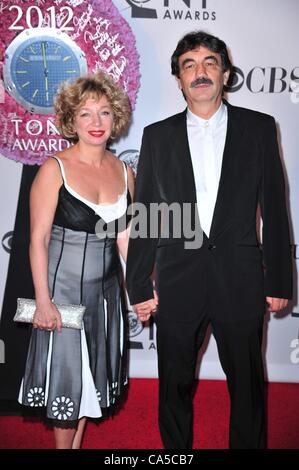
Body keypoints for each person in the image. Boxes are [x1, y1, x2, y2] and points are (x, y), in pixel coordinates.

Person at [126, 31, 292, 449]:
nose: (200, 72)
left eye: (209, 63)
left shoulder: (258, 127)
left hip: (240, 279)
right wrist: (139, 285)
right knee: (174, 388)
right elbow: (146, 211)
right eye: (189, 65)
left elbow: (275, 206)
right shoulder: (157, 136)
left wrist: (278, 282)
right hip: (177, 281)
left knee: (248, 388)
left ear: (226, 73)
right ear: (179, 80)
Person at [18, 72, 134, 449]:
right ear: (71, 120)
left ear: (116, 118)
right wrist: (44, 301)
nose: (96, 123)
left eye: (104, 113)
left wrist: (142, 291)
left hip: (106, 297)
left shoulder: (125, 172)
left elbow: (124, 238)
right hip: (62, 297)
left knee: (89, 384)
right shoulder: (54, 169)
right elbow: (37, 240)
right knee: (68, 384)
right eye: (86, 114)